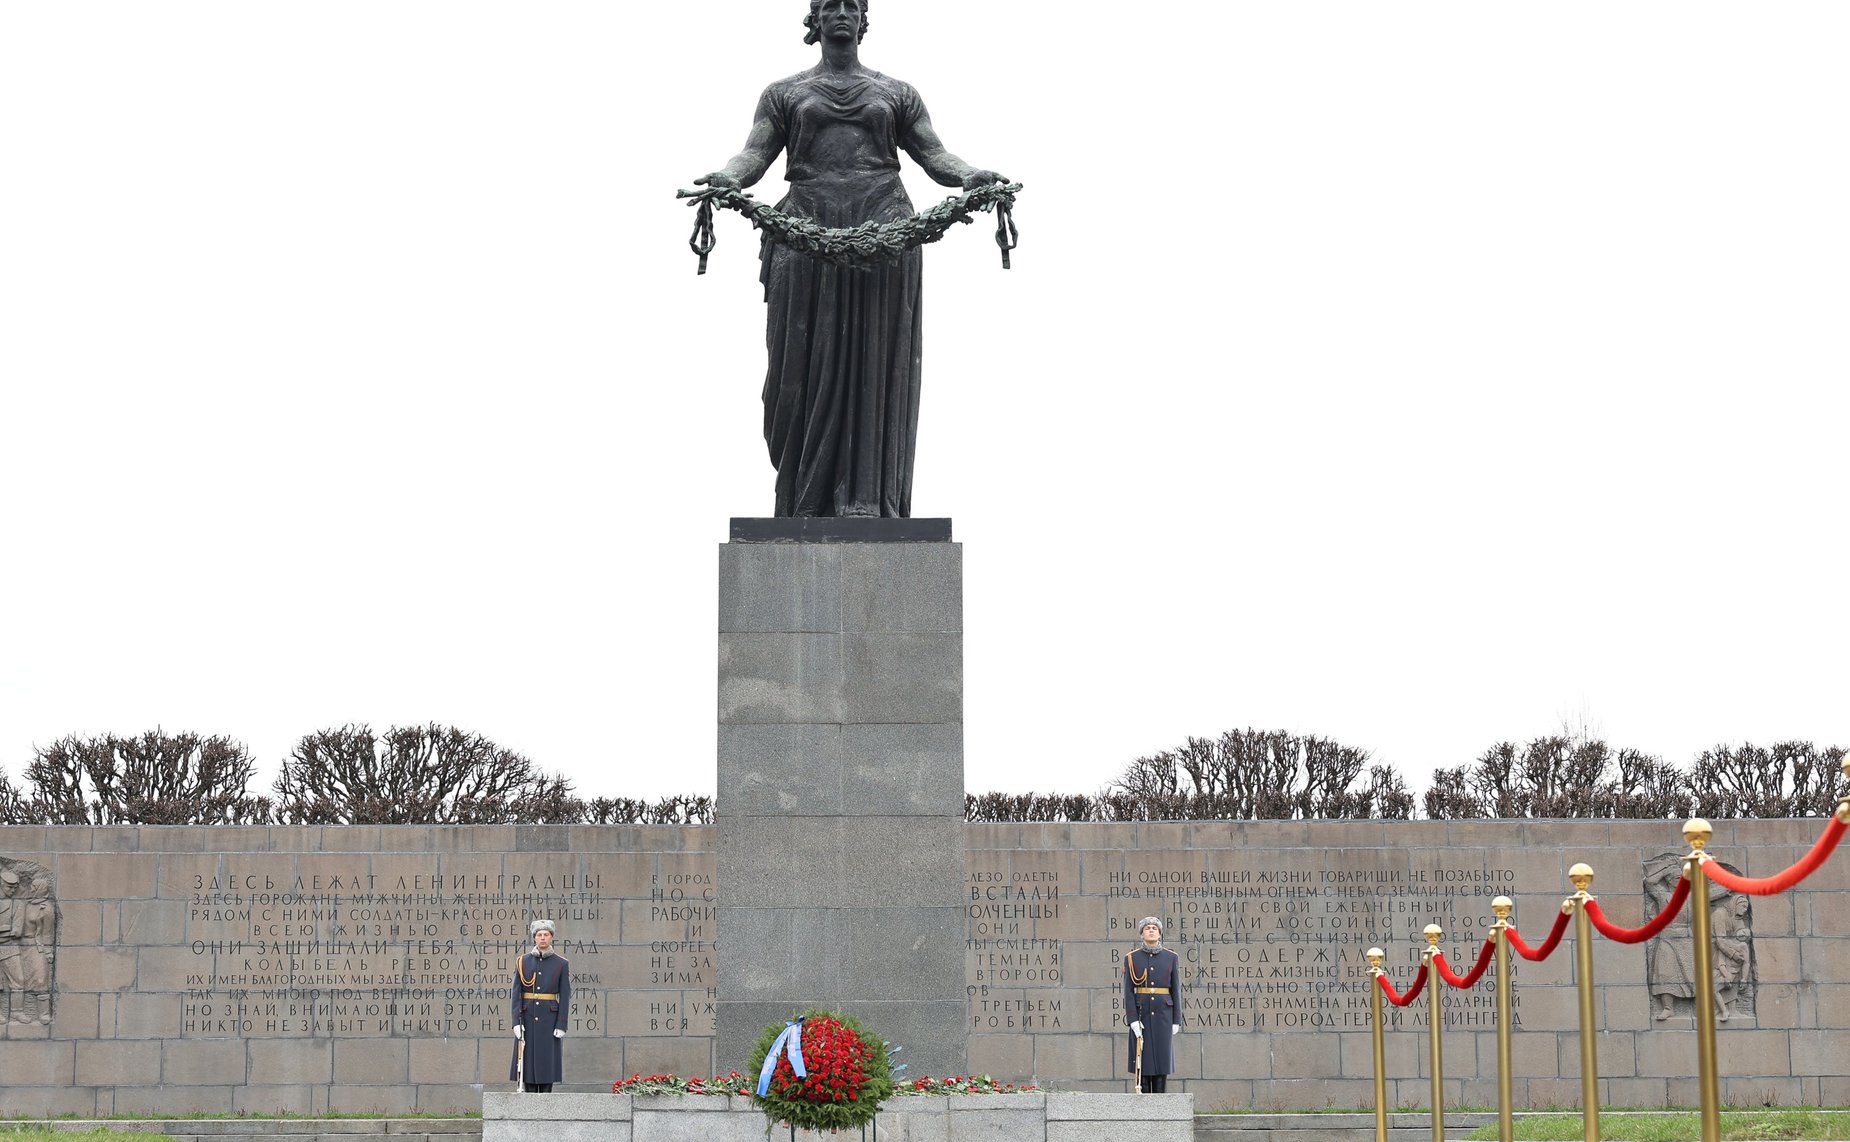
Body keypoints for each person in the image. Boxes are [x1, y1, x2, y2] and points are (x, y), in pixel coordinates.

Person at [696, 0, 1005, 518]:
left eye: (851, 5)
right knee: (793, 372)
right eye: (830, 5)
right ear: (814, 21)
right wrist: (729, 177)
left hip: (884, 224)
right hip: (805, 225)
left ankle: (865, 501)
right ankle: (802, 497)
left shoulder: (897, 93)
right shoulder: (784, 93)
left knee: (875, 361)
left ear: (864, 20)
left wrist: (970, 174)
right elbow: (753, 155)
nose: (841, 12)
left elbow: (934, 155)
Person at [1122, 916, 1183, 1093]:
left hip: (1164, 1015)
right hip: (1143, 1015)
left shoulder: (1171, 957)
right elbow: (1128, 991)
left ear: (1160, 933)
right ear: (1141, 934)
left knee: (1162, 1062)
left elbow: (1176, 989)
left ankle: (1161, 1104)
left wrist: (1176, 1020)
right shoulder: (1132, 958)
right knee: (1144, 1062)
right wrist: (1132, 1020)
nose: (1151, 930)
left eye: (1154, 928)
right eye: (1147, 928)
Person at [509, 919, 571, 1092]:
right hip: (526, 1018)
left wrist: (561, 1024)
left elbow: (565, 995)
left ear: (551, 937)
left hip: (549, 1019)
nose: (542, 938)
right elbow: (516, 994)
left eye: (546, 935)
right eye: (539, 935)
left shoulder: (561, 963)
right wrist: (515, 1022)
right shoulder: (523, 961)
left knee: (546, 1065)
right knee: (527, 1065)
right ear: (534, 938)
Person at [0, 870, 27, 1024]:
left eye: (14, 888)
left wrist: (6, 931)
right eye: (9, 887)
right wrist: (6, 929)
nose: (12, 891)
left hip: (10, 948)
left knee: (19, 979)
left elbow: (16, 931)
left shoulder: (18, 905)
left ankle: (17, 1012)